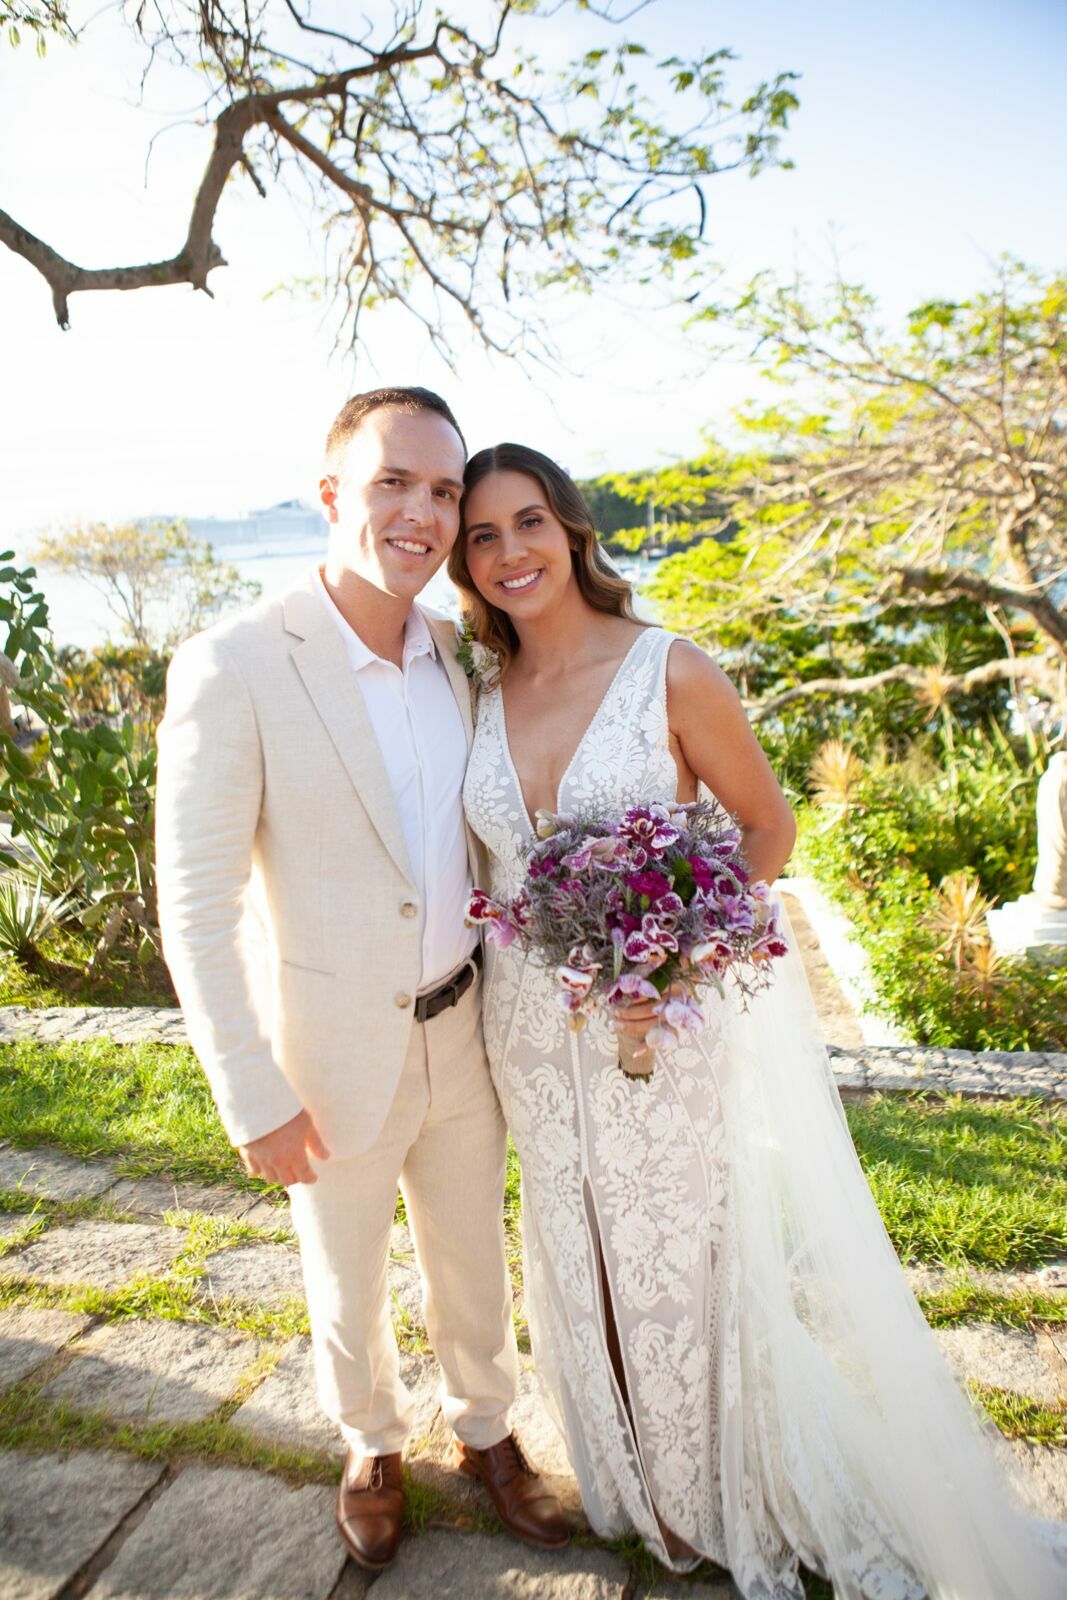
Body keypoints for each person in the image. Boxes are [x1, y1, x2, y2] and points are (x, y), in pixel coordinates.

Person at [450, 441, 1066, 1600]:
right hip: (525, 1033)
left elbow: (764, 830)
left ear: (571, 530)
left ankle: (718, 1488)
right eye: (480, 536)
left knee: (677, 1254)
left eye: (524, 522)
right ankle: (628, 1484)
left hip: (656, 1020)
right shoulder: (479, 693)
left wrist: (675, 966)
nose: (505, 553)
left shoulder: (667, 669)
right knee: (572, 1247)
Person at [155, 393, 568, 1573]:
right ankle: (371, 1446)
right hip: (325, 1049)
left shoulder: (458, 654)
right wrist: (249, 1089)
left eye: (444, 491)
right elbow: (192, 900)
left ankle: (487, 1436)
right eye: (396, 482)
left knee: (469, 1259)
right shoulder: (233, 664)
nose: (424, 513)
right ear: (333, 493)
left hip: (463, 1021)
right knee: (343, 1274)